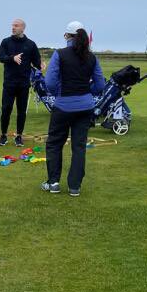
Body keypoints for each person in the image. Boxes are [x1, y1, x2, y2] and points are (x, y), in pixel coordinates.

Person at [41, 21, 105, 197]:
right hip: (85, 107)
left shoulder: (60, 54)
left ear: (67, 36)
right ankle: (74, 187)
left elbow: (50, 83)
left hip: (63, 106)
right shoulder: (91, 57)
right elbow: (100, 85)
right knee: (79, 146)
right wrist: (86, 92)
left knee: (54, 143)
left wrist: (60, 93)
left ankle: (53, 182)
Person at [0, 18, 42, 146]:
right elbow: (1, 57)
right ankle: (3, 135)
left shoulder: (30, 44)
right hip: (9, 83)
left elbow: (36, 60)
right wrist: (13, 58)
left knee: (21, 111)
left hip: (23, 84)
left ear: (23, 28)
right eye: (12, 25)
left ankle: (19, 136)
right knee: (6, 109)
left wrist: (41, 65)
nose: (13, 27)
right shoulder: (6, 42)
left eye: (16, 26)